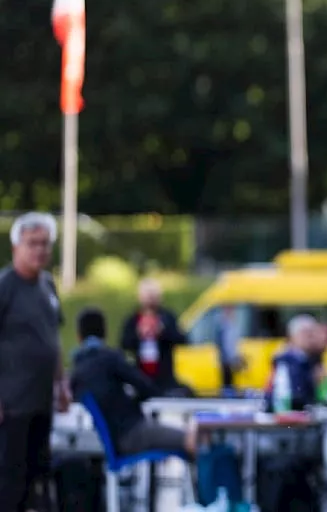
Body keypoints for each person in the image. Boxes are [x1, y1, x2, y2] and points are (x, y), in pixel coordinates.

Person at [0, 212, 70, 512]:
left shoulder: (48, 286)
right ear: (17, 247)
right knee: (10, 480)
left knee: (38, 477)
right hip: (13, 403)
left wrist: (62, 383)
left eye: (45, 243)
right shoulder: (6, 286)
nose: (40, 250)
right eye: (33, 243)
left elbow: (52, 339)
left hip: (42, 401)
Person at [69, 307, 196, 459]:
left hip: (111, 439)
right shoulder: (110, 359)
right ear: (105, 333)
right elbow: (145, 386)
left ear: (79, 336)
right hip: (131, 431)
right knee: (194, 439)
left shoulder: (77, 370)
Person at [119, 278, 191, 396]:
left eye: (153, 296)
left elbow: (182, 339)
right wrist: (139, 334)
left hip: (165, 377)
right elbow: (124, 343)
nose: (150, 301)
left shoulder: (167, 317)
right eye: (148, 296)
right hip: (140, 376)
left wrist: (162, 332)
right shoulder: (133, 320)